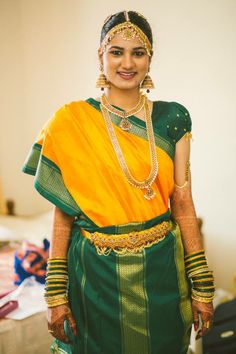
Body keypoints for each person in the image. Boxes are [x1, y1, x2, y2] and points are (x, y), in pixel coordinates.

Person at [22, 10, 215, 354]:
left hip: (161, 276)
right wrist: (55, 292)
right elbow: (63, 214)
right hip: (94, 279)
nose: (127, 63)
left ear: (149, 59)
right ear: (101, 56)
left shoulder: (172, 118)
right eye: (116, 52)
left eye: (138, 53)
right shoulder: (70, 122)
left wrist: (201, 285)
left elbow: (183, 203)